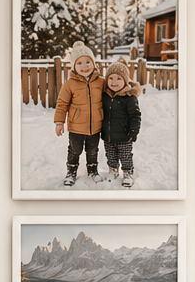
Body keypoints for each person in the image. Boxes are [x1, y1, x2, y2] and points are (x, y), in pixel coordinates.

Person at [53, 42, 104, 186]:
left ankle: (93, 170)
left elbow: (112, 94)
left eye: (88, 61)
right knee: (75, 150)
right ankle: (71, 171)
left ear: (94, 63)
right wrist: (59, 122)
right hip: (76, 127)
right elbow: (62, 103)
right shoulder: (70, 84)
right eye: (79, 63)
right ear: (74, 66)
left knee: (93, 150)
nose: (84, 66)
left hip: (95, 126)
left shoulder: (101, 82)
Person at [99, 61, 141, 188]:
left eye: (118, 78)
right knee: (110, 154)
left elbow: (135, 116)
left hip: (124, 135)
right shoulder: (104, 96)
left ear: (125, 80)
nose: (114, 82)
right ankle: (113, 170)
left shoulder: (129, 97)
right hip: (108, 135)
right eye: (111, 78)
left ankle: (128, 173)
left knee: (125, 155)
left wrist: (134, 131)